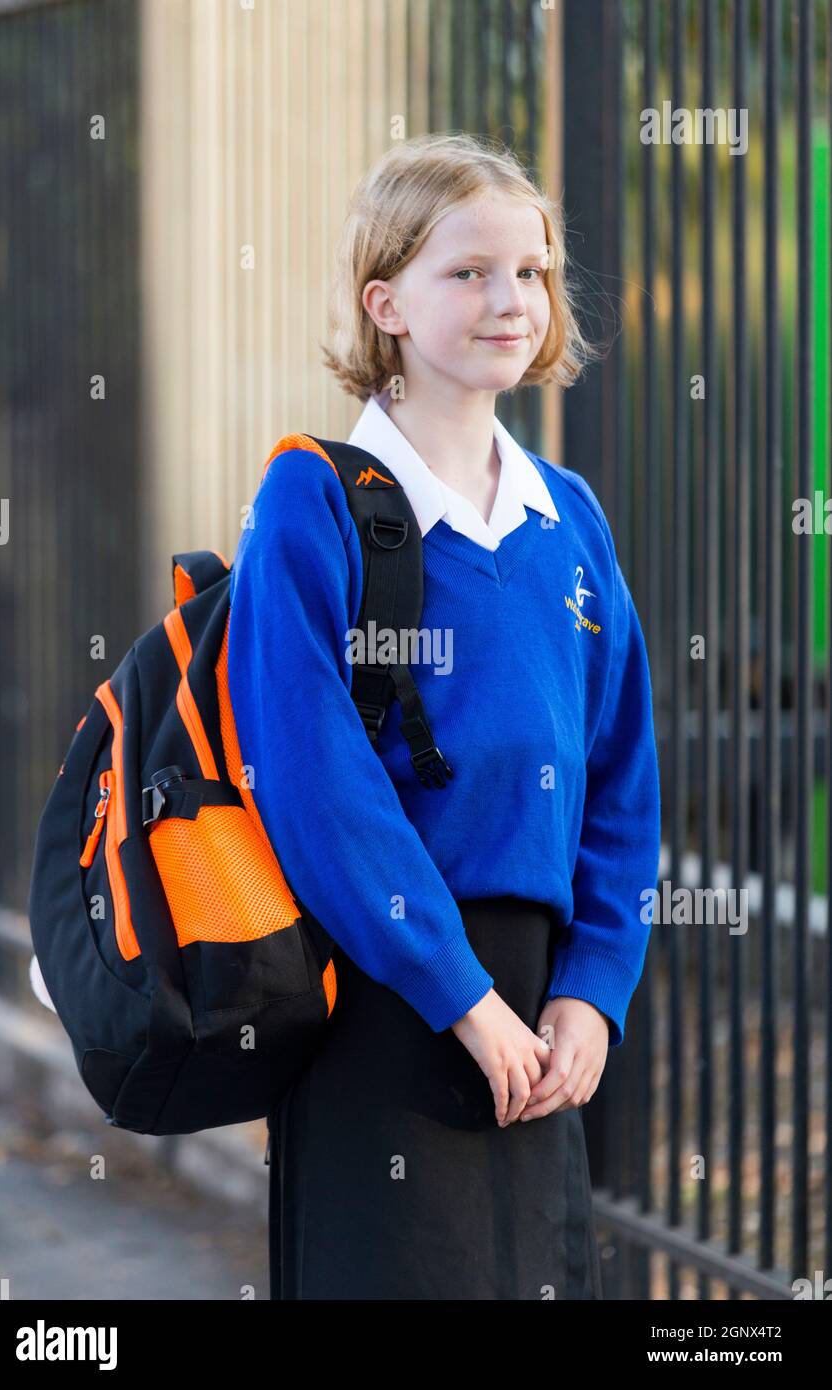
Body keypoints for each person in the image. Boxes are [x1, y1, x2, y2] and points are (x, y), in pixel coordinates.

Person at [226, 132, 661, 1300]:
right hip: (382, 1002)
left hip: (540, 1020)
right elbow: (316, 787)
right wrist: (461, 999)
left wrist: (591, 993)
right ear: (387, 302)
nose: (508, 299)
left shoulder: (567, 517)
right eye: (465, 272)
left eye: (530, 270)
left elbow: (620, 783)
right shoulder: (310, 500)